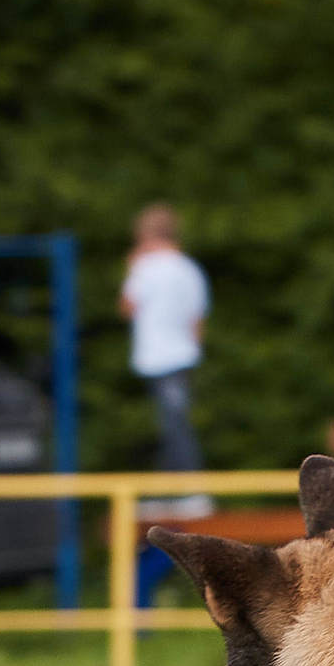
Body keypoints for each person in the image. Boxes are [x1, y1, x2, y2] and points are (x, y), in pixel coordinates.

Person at [121, 205, 212, 517]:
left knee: (174, 427)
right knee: (174, 425)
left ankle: (189, 494)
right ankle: (179, 493)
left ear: (146, 236)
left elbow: (128, 307)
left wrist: (131, 267)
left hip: (157, 358)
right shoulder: (189, 269)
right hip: (182, 356)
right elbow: (197, 318)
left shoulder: (144, 268)